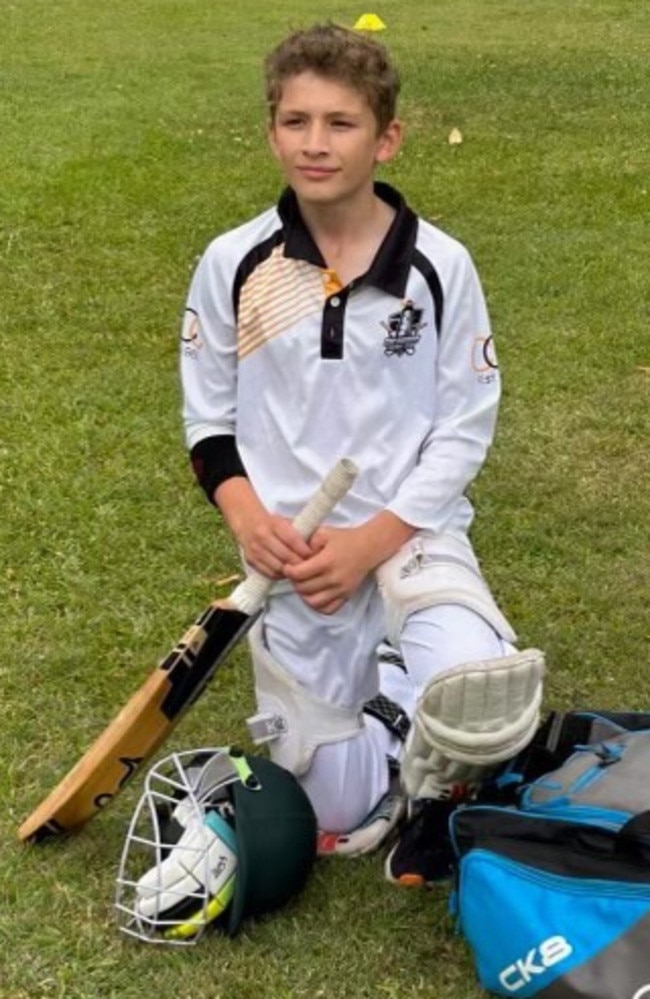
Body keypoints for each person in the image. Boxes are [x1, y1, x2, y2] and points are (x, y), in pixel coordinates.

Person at [180, 22, 544, 887]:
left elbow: (463, 428)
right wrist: (252, 522)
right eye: (296, 121)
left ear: (386, 138)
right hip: (294, 556)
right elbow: (208, 425)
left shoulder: (439, 264)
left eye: (340, 124)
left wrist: (370, 543)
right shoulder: (234, 261)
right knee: (334, 811)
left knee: (479, 697)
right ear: (271, 130)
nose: (315, 143)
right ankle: (387, 714)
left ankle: (434, 737)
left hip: (408, 540)